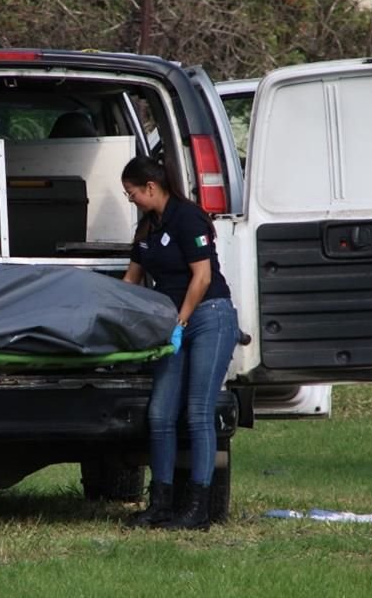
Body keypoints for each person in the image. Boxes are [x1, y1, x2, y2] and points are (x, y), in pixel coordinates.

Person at [120, 155, 240, 530]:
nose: (131, 199)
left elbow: (202, 277)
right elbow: (132, 279)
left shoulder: (188, 218)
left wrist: (183, 318)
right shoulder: (147, 228)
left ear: (151, 187)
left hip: (207, 316)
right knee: (160, 414)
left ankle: (197, 508)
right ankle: (161, 502)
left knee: (198, 411)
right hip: (172, 323)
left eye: (132, 193)